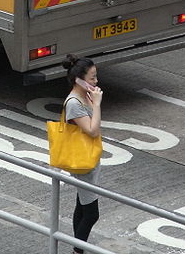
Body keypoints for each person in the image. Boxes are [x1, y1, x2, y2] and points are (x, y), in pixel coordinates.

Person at [62, 54, 104, 254]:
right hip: (83, 163)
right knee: (91, 213)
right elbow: (92, 130)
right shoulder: (74, 103)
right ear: (79, 79)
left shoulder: (84, 96)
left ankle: (77, 249)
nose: (96, 82)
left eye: (96, 77)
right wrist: (96, 105)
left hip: (90, 158)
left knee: (82, 206)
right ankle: (78, 251)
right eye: (92, 78)